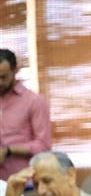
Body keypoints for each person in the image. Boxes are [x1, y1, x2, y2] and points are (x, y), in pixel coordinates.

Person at [0, 49, 52, 181]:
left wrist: (8, 151)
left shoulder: (34, 101)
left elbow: (44, 146)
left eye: (3, 77)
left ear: (15, 70)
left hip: (23, 184)